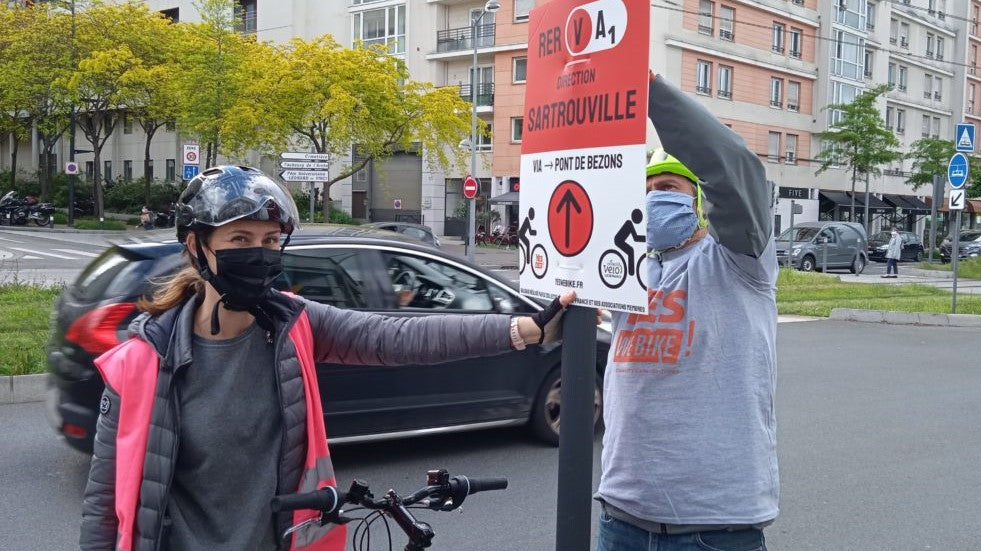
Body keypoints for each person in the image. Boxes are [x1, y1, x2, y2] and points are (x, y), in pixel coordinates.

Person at [79, 166, 574, 551]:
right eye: (240, 240)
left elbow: (397, 337)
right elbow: (105, 504)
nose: (260, 253)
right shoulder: (142, 362)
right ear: (196, 247)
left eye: (270, 241)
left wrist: (526, 329)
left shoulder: (295, 325)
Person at [595, 74, 779, 551]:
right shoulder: (626, 272)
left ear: (699, 200)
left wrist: (645, 87)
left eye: (671, 186)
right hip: (621, 518)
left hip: (716, 527)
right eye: (648, 189)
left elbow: (734, 169)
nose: (656, 197)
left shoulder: (740, 261)